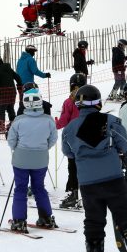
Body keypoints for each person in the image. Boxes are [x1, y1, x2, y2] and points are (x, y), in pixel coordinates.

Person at [62, 84, 127, 252]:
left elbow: (67, 152)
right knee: (125, 214)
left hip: (87, 181)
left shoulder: (70, 128)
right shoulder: (110, 121)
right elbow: (125, 144)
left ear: (78, 104)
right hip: (112, 177)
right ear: (98, 103)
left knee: (93, 219)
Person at [7, 91, 58, 233]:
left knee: (20, 189)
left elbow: (11, 140)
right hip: (40, 160)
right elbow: (53, 139)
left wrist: (17, 149)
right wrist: (42, 148)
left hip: (21, 160)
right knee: (39, 188)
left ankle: (19, 221)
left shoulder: (18, 120)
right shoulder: (48, 120)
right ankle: (46, 218)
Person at [56, 73, 86, 209]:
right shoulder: (89, 100)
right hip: (88, 139)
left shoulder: (69, 102)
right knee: (87, 166)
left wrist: (55, 123)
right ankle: (88, 194)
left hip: (73, 141)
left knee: (73, 167)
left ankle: (73, 194)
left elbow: (63, 121)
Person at [0, 56, 22, 134]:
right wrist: (19, 85)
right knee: (10, 107)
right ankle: (13, 123)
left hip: (4, 92)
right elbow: (18, 77)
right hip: (13, 92)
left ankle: (1, 126)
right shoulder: (9, 69)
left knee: (1, 109)